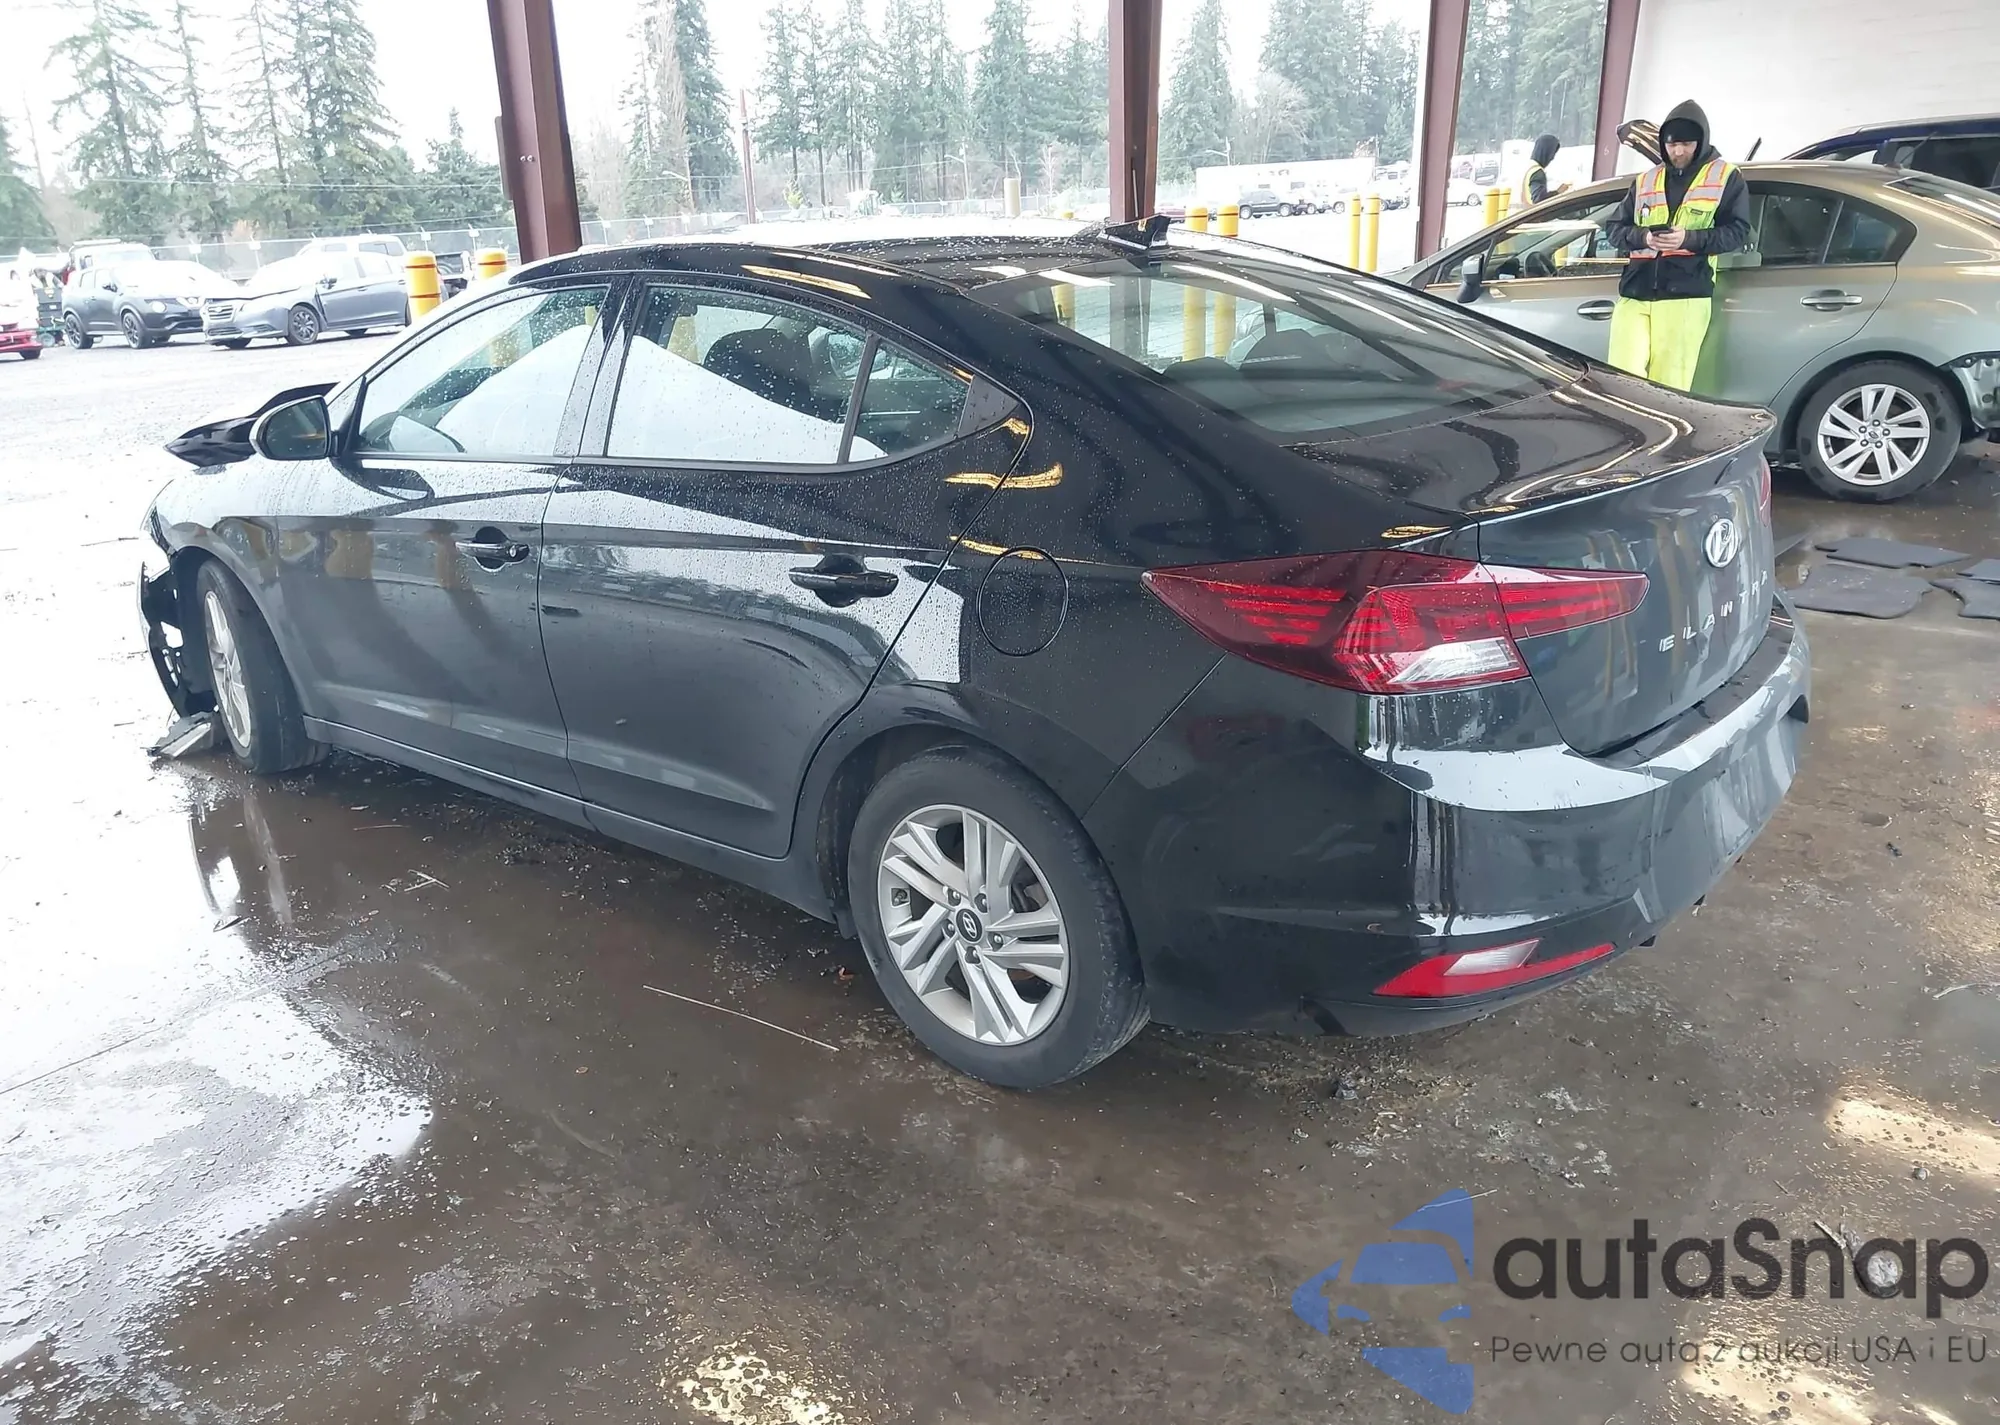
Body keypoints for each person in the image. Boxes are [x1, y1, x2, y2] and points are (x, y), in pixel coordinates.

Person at [1602, 100, 1750, 391]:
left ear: (1701, 142)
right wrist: (1644, 237)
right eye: (1672, 145)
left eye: (1686, 144)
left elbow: (1738, 232)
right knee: (1621, 385)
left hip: (1685, 298)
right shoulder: (1646, 180)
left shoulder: (1726, 177)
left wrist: (1689, 239)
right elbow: (1614, 228)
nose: (1678, 152)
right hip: (1635, 294)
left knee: (1668, 389)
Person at [1517, 133, 1562, 207]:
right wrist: (1558, 192)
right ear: (1545, 152)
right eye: (1552, 153)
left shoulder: (1529, 167)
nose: (1552, 158)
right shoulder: (1537, 173)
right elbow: (1539, 201)